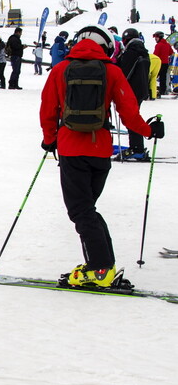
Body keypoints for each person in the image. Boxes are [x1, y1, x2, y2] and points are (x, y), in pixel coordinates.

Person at [40, 25, 163, 288]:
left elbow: (48, 110)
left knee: (82, 211)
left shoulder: (61, 70)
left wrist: (50, 140)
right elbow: (129, 113)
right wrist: (149, 130)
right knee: (87, 210)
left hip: (72, 149)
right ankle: (103, 263)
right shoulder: (112, 71)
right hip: (100, 152)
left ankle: (99, 269)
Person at [117, 28, 151, 157]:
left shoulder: (132, 52)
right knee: (133, 117)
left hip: (131, 90)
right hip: (140, 90)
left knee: (130, 118)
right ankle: (137, 146)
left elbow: (124, 73)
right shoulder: (144, 52)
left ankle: (137, 148)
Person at [152, 31, 174, 96]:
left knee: (154, 77)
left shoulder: (158, 45)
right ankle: (163, 90)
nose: (155, 39)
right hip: (165, 63)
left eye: (156, 37)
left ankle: (154, 90)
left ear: (160, 37)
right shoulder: (167, 44)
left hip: (158, 63)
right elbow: (171, 52)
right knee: (163, 78)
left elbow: (155, 55)